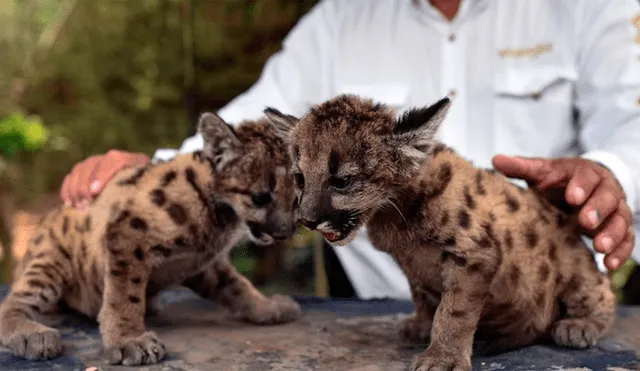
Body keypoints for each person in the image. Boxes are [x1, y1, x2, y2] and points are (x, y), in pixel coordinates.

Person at [60, 0, 640, 300]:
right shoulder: (339, 20)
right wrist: (157, 173)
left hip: (543, 314)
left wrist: (610, 174)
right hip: (387, 326)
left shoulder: (589, 6)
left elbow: (632, 121)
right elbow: (254, 126)